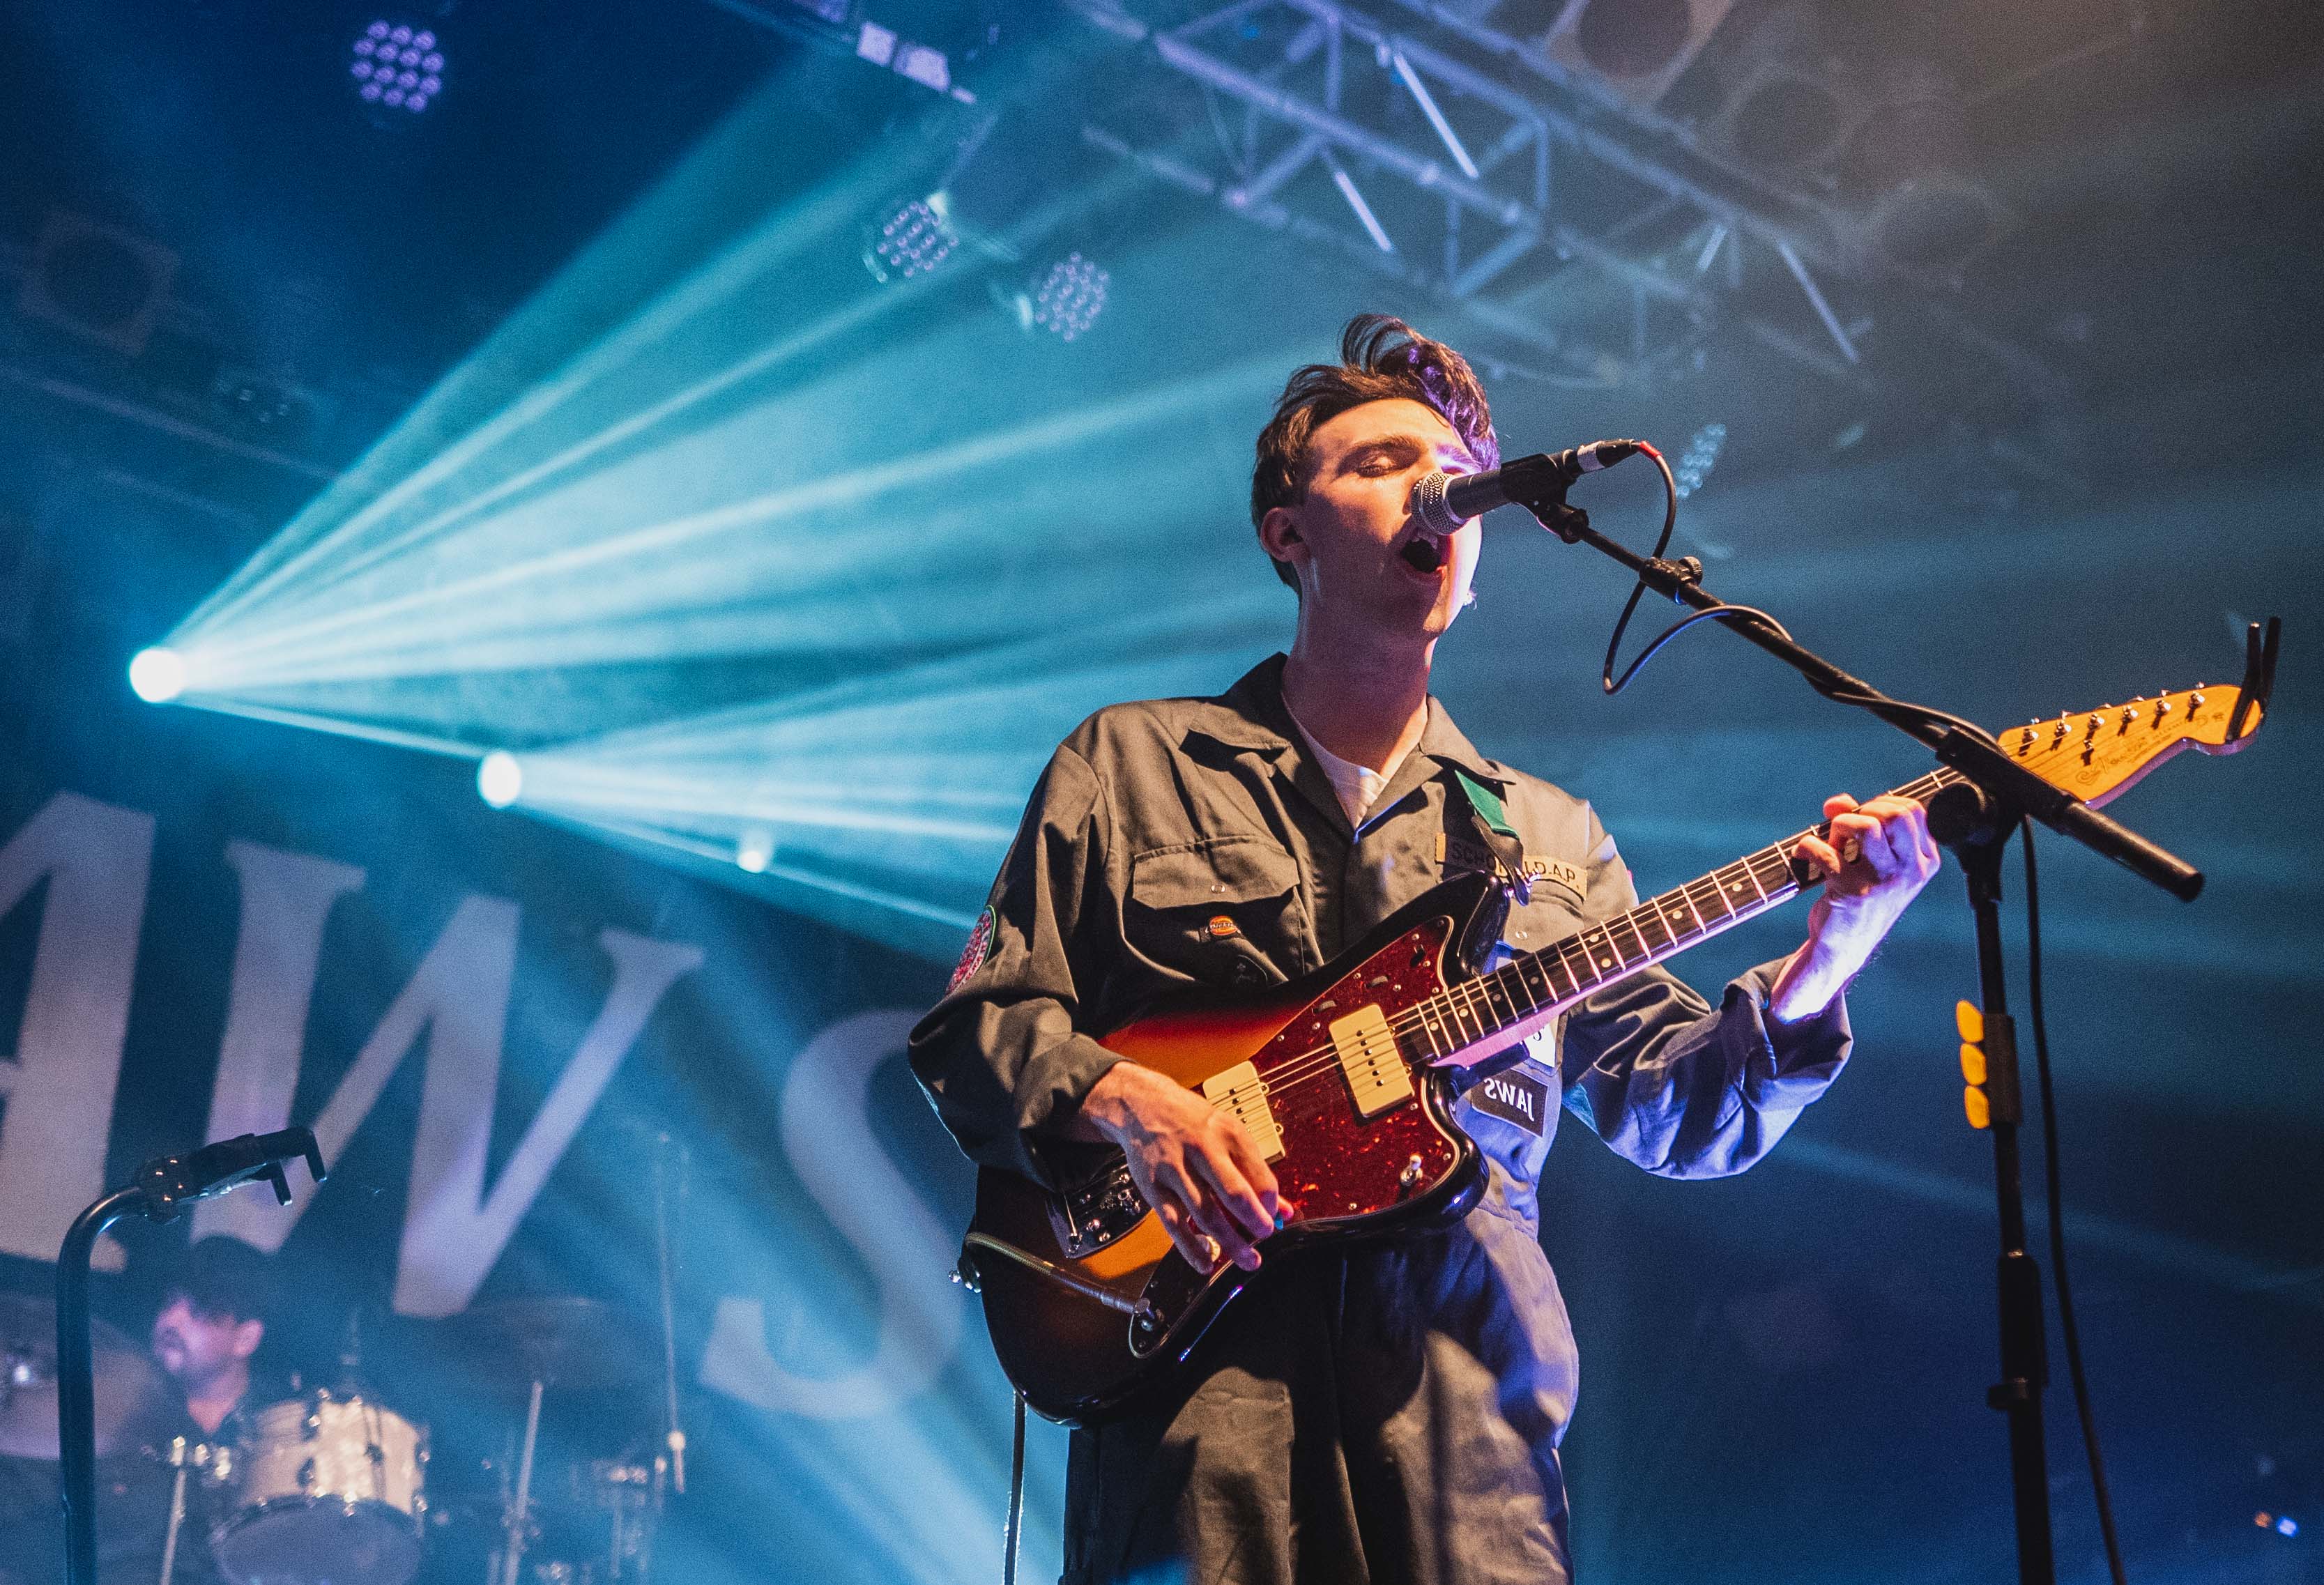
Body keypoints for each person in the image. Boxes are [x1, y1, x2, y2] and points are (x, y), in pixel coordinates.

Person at [908, 314, 1940, 1585]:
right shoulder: (1131, 764)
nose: (1436, 491)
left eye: (1452, 473)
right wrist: (1123, 1099)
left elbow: (1681, 1115)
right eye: (1383, 461)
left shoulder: (1546, 835)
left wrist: (1835, 948)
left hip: (1469, 1435)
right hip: (1203, 1412)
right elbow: (974, 1027)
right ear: (1288, 532)